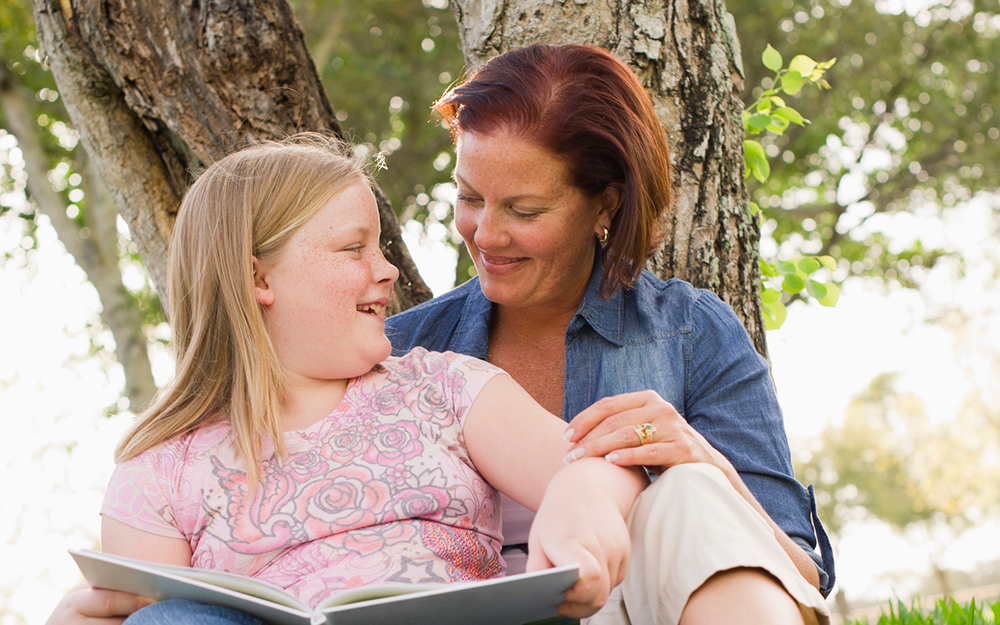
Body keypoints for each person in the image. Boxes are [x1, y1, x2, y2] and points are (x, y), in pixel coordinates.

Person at [45, 135, 648, 624]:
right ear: (259, 278)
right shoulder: (160, 469)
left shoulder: (444, 388)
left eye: (380, 246)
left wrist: (583, 499)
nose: (386, 270)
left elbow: (601, 462)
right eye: (353, 248)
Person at [386, 43, 835, 624]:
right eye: (470, 197)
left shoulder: (691, 333)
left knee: (688, 490)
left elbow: (800, 582)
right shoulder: (403, 351)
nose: (486, 233)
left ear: (606, 205)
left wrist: (707, 466)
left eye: (524, 210)